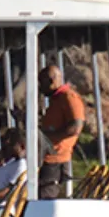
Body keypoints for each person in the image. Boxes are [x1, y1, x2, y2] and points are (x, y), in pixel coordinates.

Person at [35, 63, 85, 200]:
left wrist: (47, 138)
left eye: (42, 83)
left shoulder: (69, 97)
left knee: (46, 198)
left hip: (56, 158)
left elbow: (75, 127)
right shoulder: (55, 100)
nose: (40, 87)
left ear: (52, 81)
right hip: (45, 157)